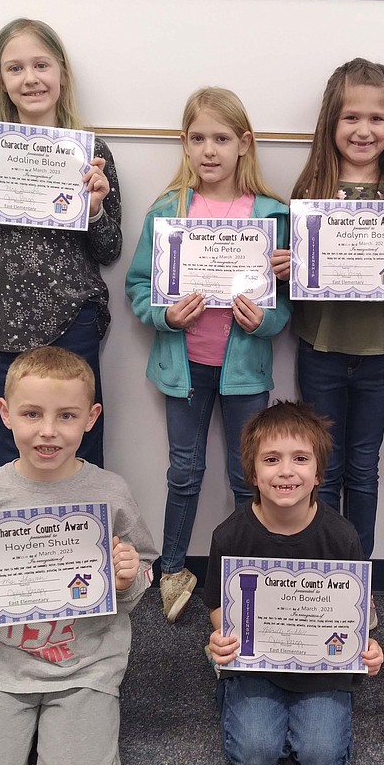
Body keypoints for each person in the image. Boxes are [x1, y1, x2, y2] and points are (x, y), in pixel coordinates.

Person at [0, 346, 157, 765]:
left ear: (91, 418)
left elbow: (144, 564)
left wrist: (128, 579)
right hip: (2, 666)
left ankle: (68, 734)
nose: (48, 431)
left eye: (67, 416)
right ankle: (22, 736)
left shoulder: (110, 491)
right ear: (6, 414)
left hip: (87, 662)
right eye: (32, 414)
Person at [125, 87, 290, 624]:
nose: (209, 150)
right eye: (198, 138)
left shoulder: (271, 214)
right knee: (184, 471)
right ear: (184, 144)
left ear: (244, 144)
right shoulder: (169, 210)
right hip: (184, 367)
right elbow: (138, 285)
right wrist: (163, 316)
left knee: (248, 478)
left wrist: (262, 320)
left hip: (245, 372)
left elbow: (287, 305)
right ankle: (172, 566)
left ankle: (253, 568)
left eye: (221, 138)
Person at [279, 59, 384, 625]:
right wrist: (284, 267)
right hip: (319, 347)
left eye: (377, 118)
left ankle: (357, 579)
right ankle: (324, 574)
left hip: (380, 353)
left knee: (363, 468)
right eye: (351, 118)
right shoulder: (310, 190)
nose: (363, 130)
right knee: (324, 467)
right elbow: (294, 276)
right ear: (330, 124)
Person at [0, 18, 122, 471]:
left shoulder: (91, 151)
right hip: (3, 319)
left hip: (72, 319)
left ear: (61, 72)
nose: (30, 78)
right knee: (8, 450)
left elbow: (110, 249)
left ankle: (85, 541)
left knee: (78, 447)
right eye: (15, 68)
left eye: (41, 65)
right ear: (1, 80)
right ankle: (13, 543)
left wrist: (95, 207)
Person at [204, 401, 384, 765]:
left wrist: (367, 648)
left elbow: (355, 612)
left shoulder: (342, 537)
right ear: (252, 472)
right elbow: (219, 605)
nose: (286, 471)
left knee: (321, 757)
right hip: (256, 664)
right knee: (256, 755)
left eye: (300, 459)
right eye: (271, 459)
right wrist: (222, 636)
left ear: (319, 472)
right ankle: (234, 692)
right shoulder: (230, 535)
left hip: (321, 667)